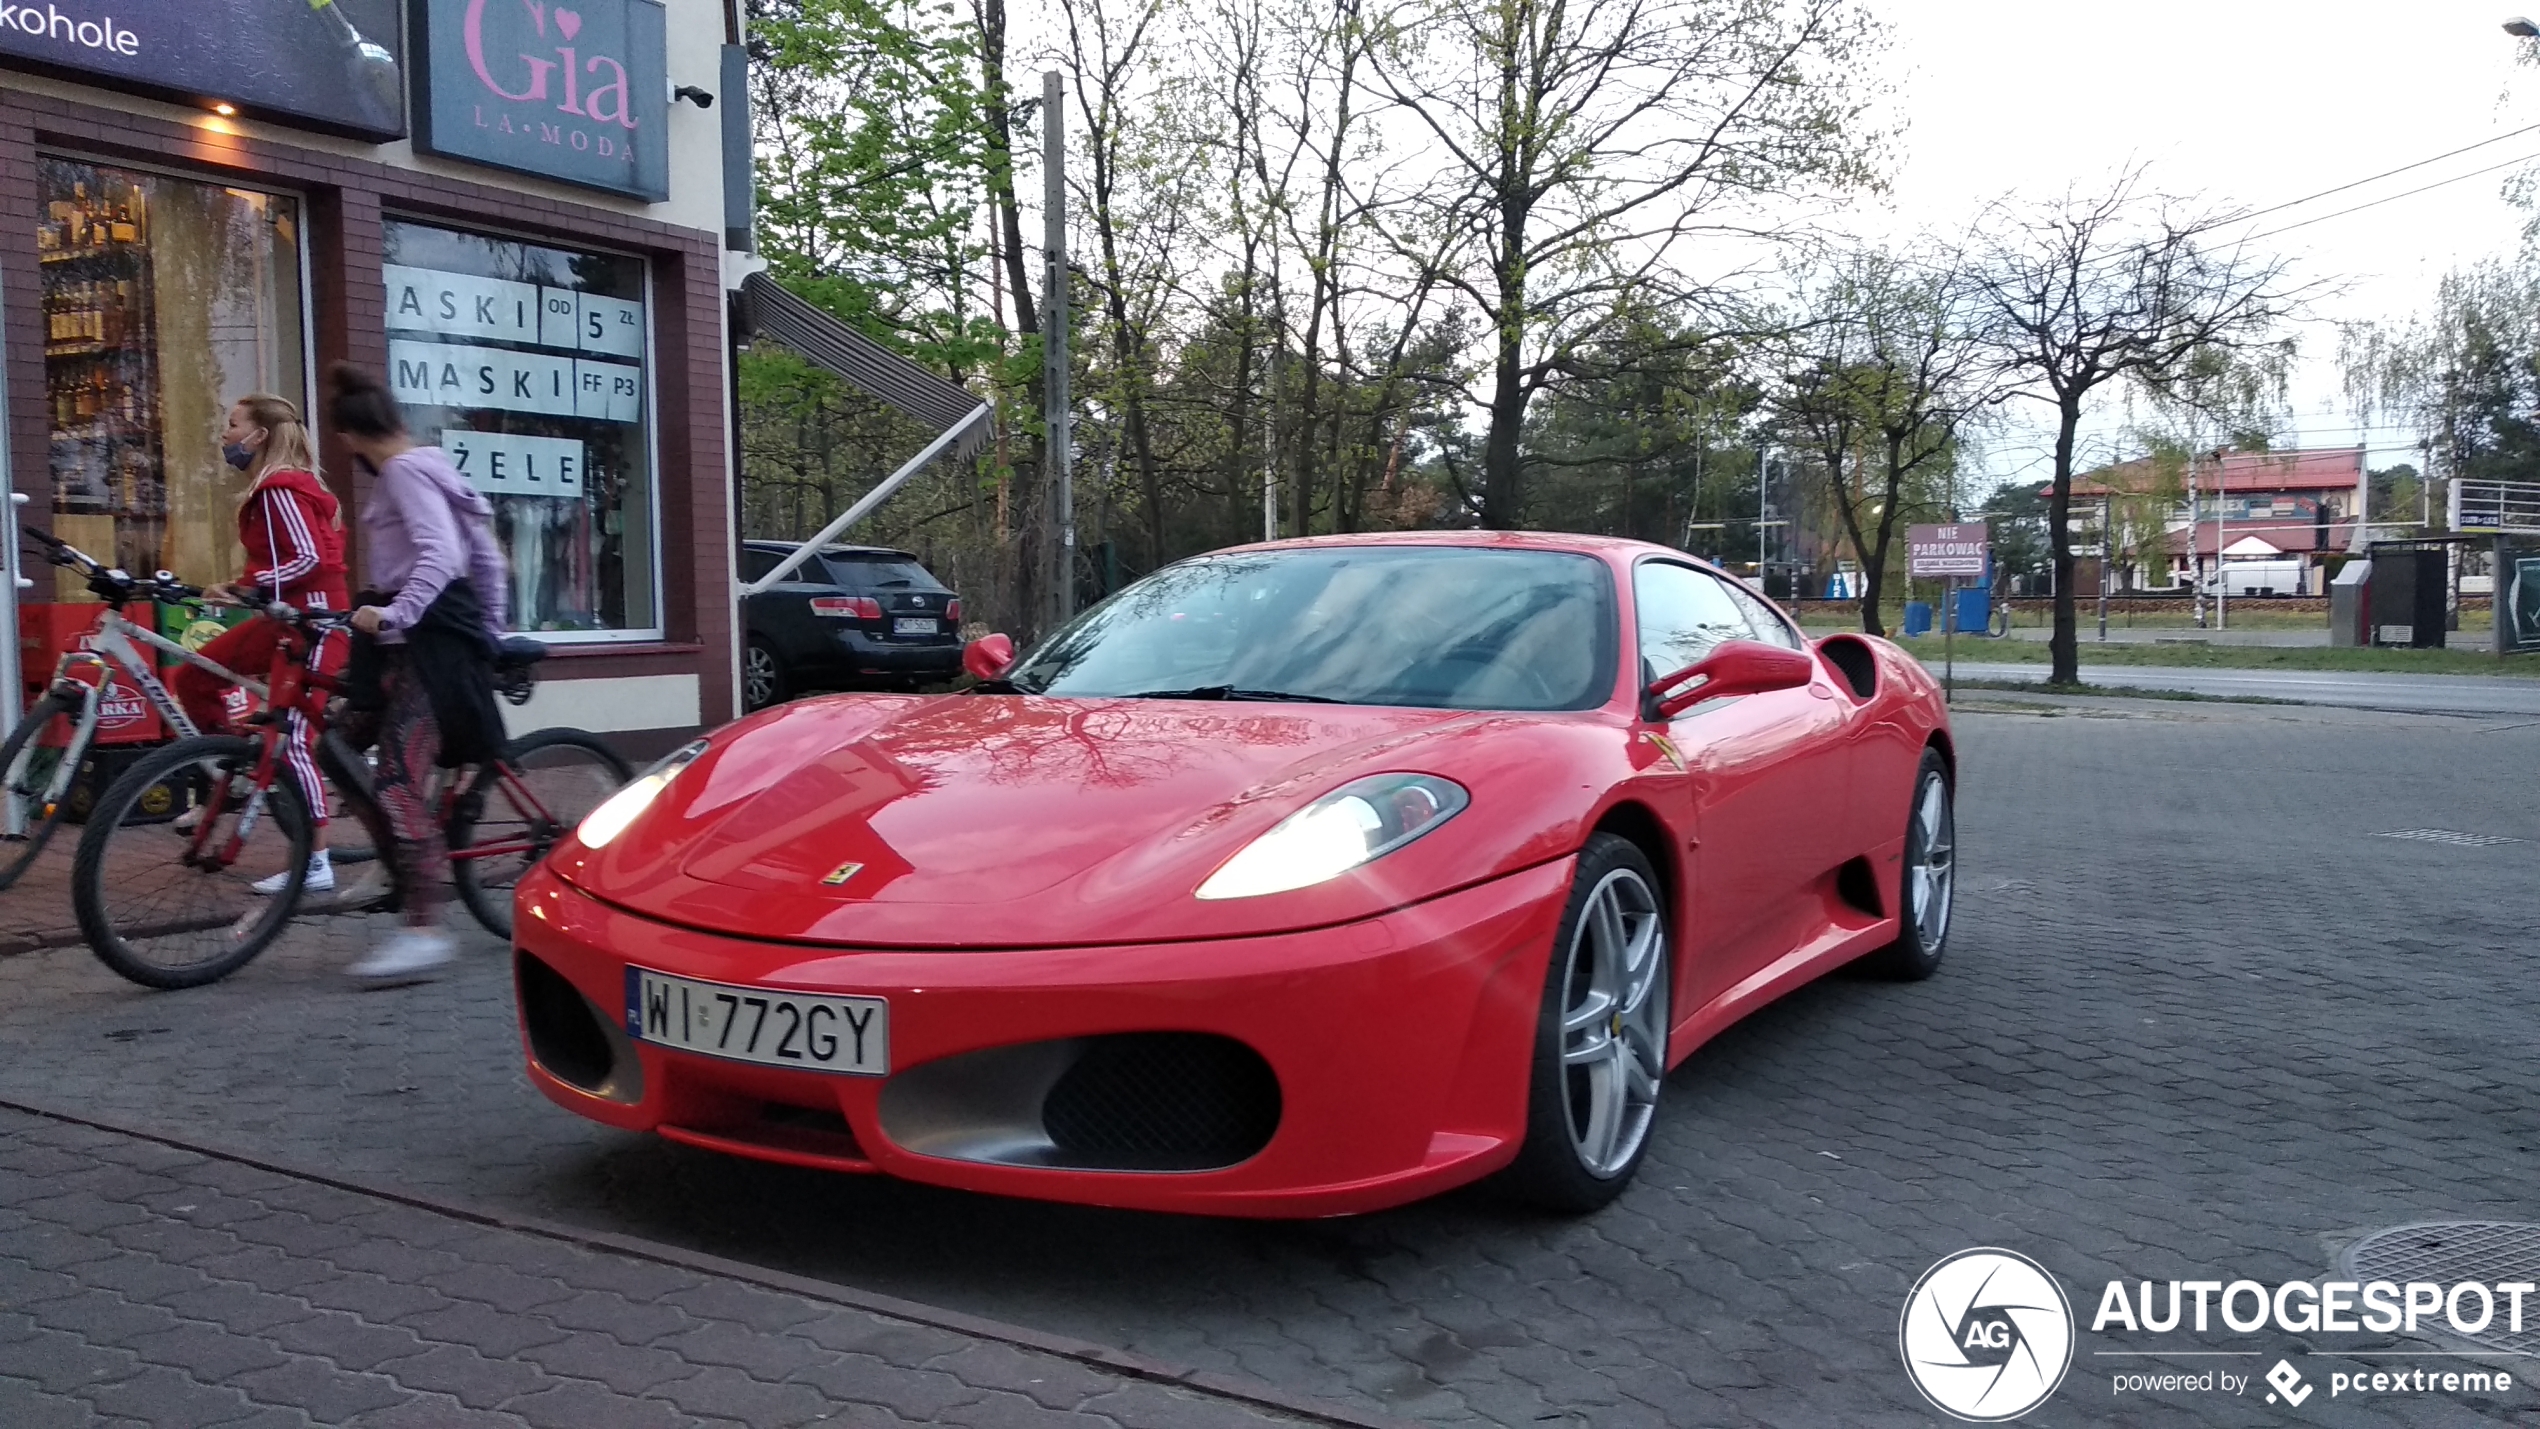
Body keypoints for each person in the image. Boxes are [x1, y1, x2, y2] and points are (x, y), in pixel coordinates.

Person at [328, 363, 511, 987]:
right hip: (422, 635)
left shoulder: (403, 471)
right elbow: (486, 556)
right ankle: (398, 860)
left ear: (353, 439)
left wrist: (399, 613)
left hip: (428, 641)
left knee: (398, 783)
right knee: (336, 742)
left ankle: (424, 930)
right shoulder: (430, 464)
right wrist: (491, 626)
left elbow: (445, 554)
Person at [172, 394, 349, 893]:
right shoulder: (278, 488)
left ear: (259, 436)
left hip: (314, 623)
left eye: (232, 426)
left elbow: (310, 559)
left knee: (292, 740)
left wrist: (248, 589)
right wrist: (240, 586)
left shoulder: (278, 489)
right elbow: (285, 563)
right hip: (283, 618)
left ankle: (316, 861)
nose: (225, 436)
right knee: (193, 675)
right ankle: (239, 759)